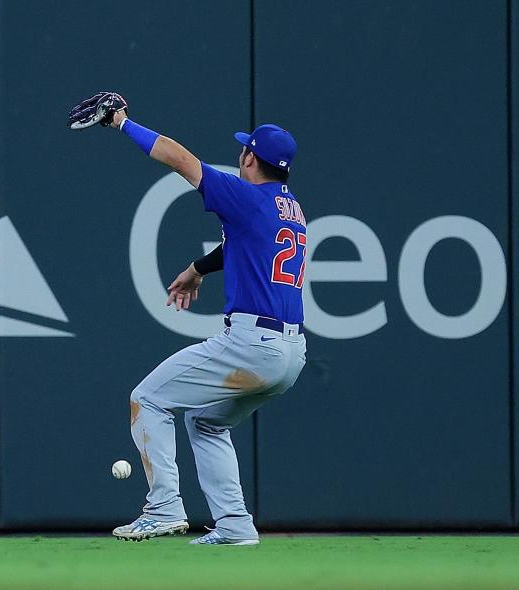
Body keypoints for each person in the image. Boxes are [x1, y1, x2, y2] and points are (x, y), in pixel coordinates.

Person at [107, 104, 307, 546]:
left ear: (250, 159)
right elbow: (243, 245)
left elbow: (178, 158)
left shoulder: (245, 195)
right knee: (207, 423)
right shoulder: (290, 208)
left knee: (148, 399)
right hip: (292, 354)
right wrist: (199, 267)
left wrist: (122, 122)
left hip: (253, 344)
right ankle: (235, 525)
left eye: (244, 151)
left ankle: (163, 507)